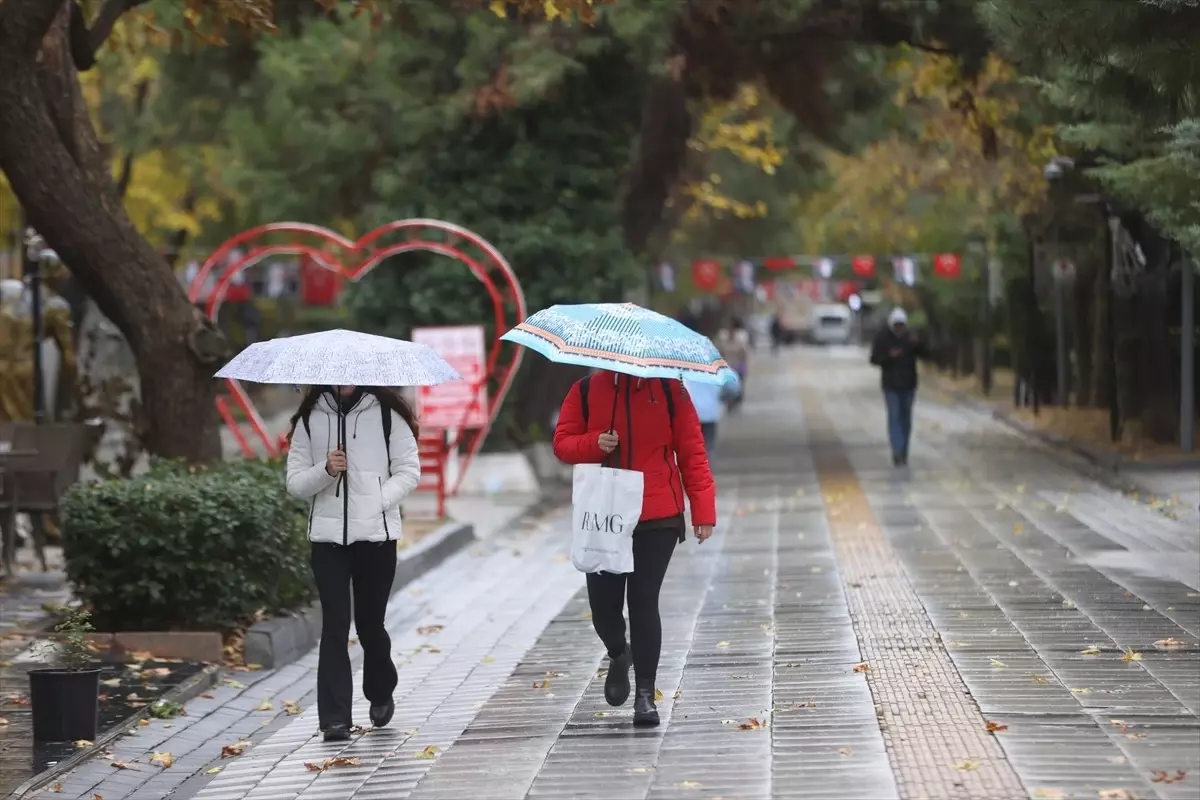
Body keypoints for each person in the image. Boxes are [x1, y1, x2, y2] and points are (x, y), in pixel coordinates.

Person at [553, 372, 716, 727]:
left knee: (643, 601)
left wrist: (702, 509)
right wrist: (595, 443)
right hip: (604, 514)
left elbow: (692, 452)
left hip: (657, 514)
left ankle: (646, 695)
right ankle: (618, 652)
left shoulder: (671, 392)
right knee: (603, 610)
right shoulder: (584, 389)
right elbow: (562, 443)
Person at [286, 385, 421, 742]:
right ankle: (334, 719)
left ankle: (380, 690)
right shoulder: (310, 419)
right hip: (328, 541)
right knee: (334, 626)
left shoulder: (387, 415)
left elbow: (409, 470)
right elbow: (295, 483)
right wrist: (326, 470)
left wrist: (378, 500)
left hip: (376, 537)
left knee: (370, 625)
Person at [869, 308, 928, 466]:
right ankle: (897, 450)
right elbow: (874, 358)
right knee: (894, 417)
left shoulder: (911, 338)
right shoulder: (883, 337)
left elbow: (926, 354)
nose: (899, 329)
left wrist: (919, 344)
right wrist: (889, 356)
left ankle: (904, 450)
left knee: (906, 419)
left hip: (909, 384)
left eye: (902, 325)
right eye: (896, 325)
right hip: (891, 385)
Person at [684, 377, 724, 452]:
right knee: (707, 445)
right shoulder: (715, 368)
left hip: (691, 413)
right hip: (710, 413)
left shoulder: (685, 368)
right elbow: (732, 386)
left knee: (692, 446)